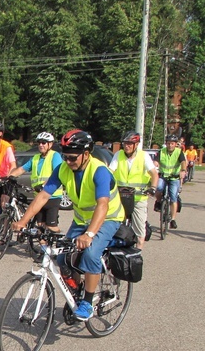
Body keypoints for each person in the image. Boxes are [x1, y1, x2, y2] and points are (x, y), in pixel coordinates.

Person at [13, 129, 124, 321]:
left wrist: (89, 235)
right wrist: (22, 222)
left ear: (86, 154)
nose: (68, 162)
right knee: (63, 258)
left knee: (90, 254)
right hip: (81, 220)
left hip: (107, 219)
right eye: (65, 157)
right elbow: (43, 195)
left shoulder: (99, 171)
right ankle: (78, 291)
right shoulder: (63, 169)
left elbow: (103, 205)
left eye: (72, 158)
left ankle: (87, 303)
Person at [109, 130, 159, 249]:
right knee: (112, 224)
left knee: (139, 230)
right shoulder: (118, 155)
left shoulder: (143, 156)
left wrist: (152, 188)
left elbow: (154, 174)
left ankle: (137, 254)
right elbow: (109, 172)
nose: (127, 146)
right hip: (120, 197)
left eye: (130, 144)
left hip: (138, 197)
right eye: (125, 143)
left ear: (136, 145)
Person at [8, 131, 63, 232]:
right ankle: (43, 246)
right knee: (40, 226)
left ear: (50, 144)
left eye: (44, 143)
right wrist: (9, 177)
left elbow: (56, 174)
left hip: (52, 197)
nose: (41, 145)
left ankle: (59, 242)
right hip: (38, 196)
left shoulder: (55, 156)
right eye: (39, 143)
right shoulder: (35, 158)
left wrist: (43, 185)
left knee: (51, 227)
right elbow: (22, 169)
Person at [154, 134, 187, 229]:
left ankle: (172, 219)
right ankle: (159, 201)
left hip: (174, 177)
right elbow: (156, 161)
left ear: (175, 144)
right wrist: (155, 166)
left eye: (172, 143)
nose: (170, 145)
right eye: (168, 143)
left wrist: (183, 170)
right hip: (163, 176)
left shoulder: (179, 152)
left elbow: (183, 163)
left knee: (173, 197)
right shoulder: (161, 152)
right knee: (158, 187)